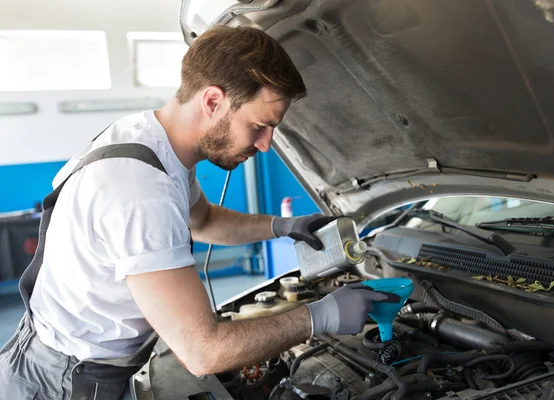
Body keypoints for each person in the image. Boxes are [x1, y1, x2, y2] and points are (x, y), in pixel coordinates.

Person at [0, 26, 398, 399]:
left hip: (69, 359)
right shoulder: (140, 191)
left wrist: (284, 226)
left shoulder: (153, 142)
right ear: (212, 101)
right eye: (259, 126)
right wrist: (321, 315)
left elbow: (204, 220)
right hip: (62, 383)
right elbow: (203, 351)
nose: (264, 145)